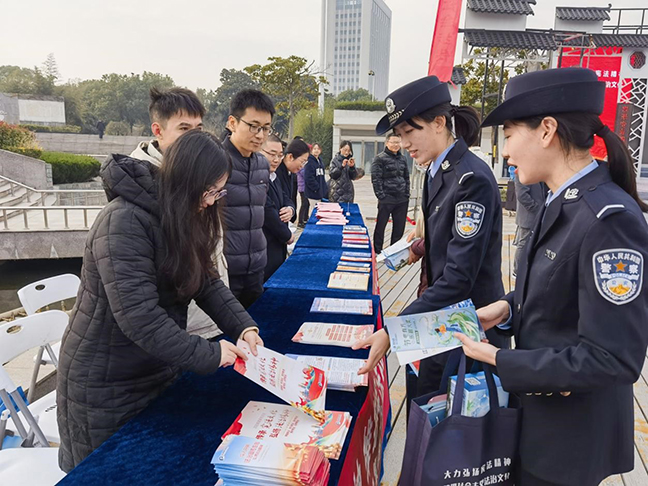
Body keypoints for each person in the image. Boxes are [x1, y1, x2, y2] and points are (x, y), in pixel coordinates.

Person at [456, 67, 648, 486]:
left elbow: (612, 358)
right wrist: (507, 309)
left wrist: (499, 358)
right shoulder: (562, 199)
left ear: (546, 131)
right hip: (542, 425)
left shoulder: (608, 219)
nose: (506, 152)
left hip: (568, 443)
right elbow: (561, 291)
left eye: (509, 134)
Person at [57, 130, 264, 472]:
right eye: (209, 191)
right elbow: (139, 317)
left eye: (219, 192)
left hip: (155, 367)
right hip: (107, 384)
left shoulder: (183, 213)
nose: (211, 202)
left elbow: (206, 282)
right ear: (184, 182)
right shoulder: (123, 221)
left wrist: (243, 327)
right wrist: (210, 353)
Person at [353, 75, 509, 397]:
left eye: (410, 132)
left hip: (468, 330)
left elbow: (458, 277)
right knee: (424, 404)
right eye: (400, 135)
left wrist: (394, 329)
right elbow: (446, 236)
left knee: (448, 418)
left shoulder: (470, 179)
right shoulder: (437, 170)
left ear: (439, 123)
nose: (404, 143)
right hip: (439, 320)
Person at [130, 87, 227, 339]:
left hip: (206, 312)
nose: (193, 138)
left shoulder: (198, 176)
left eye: (198, 129)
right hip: (176, 329)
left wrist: (240, 323)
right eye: (184, 129)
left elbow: (204, 264)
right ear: (158, 130)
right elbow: (139, 312)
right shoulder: (136, 196)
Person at [222, 89, 275, 308]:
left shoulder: (262, 164)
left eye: (266, 128)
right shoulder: (215, 161)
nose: (260, 135)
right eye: (253, 126)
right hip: (225, 270)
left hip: (256, 268)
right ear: (232, 123)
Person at [262, 135, 295, 281]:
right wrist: (287, 236)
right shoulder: (258, 178)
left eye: (280, 155)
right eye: (271, 154)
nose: (276, 159)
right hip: (265, 245)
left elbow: (286, 197)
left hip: (278, 245)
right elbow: (268, 212)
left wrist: (290, 209)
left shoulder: (274, 176)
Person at [371, 133, 411, 253]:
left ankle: (394, 251)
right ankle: (377, 251)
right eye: (393, 142)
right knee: (381, 226)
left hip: (402, 198)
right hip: (387, 197)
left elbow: (406, 177)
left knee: (399, 227)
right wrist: (381, 196)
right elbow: (376, 179)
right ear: (387, 143)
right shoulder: (379, 158)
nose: (395, 145)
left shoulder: (403, 158)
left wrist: (406, 193)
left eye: (398, 142)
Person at [512, 179, 545, 276]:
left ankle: (524, 268)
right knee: (523, 244)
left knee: (526, 243)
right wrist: (536, 208)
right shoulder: (522, 174)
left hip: (534, 215)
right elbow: (522, 195)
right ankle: (517, 271)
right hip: (528, 216)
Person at [304, 142, 328, 216]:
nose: (316, 150)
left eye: (318, 149)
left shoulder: (320, 161)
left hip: (320, 192)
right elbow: (308, 177)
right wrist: (316, 188)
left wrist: (324, 188)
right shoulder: (309, 162)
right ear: (311, 150)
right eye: (314, 149)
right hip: (312, 193)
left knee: (320, 211)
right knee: (314, 211)